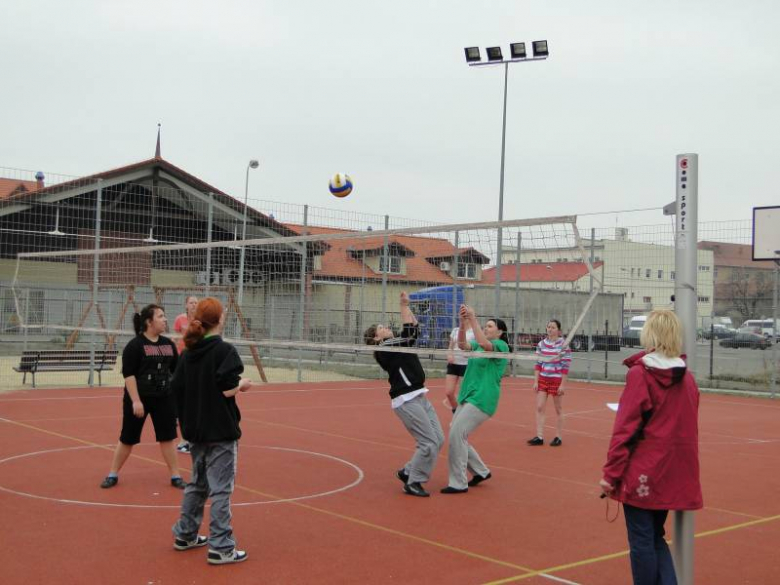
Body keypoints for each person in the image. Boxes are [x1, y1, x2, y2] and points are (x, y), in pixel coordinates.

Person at [599, 310, 703, 585]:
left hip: (643, 470)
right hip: (672, 472)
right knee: (654, 537)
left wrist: (610, 475)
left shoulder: (641, 374)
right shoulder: (688, 379)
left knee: (642, 541)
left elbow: (625, 428)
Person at [171, 297, 252, 565]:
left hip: (195, 430)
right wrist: (242, 384)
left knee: (198, 484)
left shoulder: (188, 353)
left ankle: (185, 534)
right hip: (219, 430)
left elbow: (177, 390)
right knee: (220, 489)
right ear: (219, 319)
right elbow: (226, 388)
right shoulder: (224, 351)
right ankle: (221, 546)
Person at [364, 291, 444, 498]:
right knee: (428, 442)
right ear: (376, 338)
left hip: (419, 395)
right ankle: (413, 481)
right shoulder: (384, 349)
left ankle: (408, 471)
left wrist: (407, 306)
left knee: (438, 439)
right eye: (381, 328)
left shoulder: (396, 343)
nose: (386, 327)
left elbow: (413, 330)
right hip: (406, 400)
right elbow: (410, 333)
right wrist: (402, 305)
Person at [100, 304, 185, 489]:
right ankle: (112, 473)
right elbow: (129, 375)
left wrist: (180, 399)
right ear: (149, 321)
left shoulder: (168, 344)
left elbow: (176, 373)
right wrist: (136, 401)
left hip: (164, 398)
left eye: (165, 316)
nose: (165, 320)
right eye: (161, 316)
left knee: (168, 437)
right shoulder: (135, 346)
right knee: (128, 438)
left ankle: (175, 476)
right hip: (139, 399)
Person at [441, 305, 510, 494]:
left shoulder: (501, 346)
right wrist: (463, 324)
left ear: (500, 331)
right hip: (468, 396)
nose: (487, 329)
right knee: (455, 432)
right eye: (485, 326)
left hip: (483, 398)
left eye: (490, 326)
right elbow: (462, 345)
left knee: (457, 434)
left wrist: (473, 319)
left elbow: (487, 346)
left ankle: (458, 482)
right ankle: (480, 471)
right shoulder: (478, 345)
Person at [527, 319, 572, 447]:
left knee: (558, 408)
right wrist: (536, 381)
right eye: (548, 327)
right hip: (543, 379)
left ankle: (558, 436)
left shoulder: (564, 345)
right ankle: (539, 436)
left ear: (558, 330)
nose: (550, 329)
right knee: (540, 407)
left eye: (553, 327)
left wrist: (563, 384)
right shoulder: (541, 344)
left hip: (556, 380)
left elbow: (565, 366)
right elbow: (538, 363)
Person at [173, 295, 198, 454]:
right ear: (186, 305)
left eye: (196, 302)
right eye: (191, 302)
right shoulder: (180, 319)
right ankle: (184, 439)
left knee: (193, 399)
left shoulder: (201, 321)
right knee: (182, 395)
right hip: (182, 360)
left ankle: (188, 439)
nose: (194, 305)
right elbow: (175, 339)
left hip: (195, 360)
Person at [443, 320, 475, 412]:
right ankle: (455, 411)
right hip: (453, 364)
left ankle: (461, 417)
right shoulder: (456, 330)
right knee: (449, 392)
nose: (463, 319)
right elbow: (451, 347)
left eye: (465, 316)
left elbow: (476, 347)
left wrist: (470, 354)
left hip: (466, 365)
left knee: (463, 394)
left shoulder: (473, 332)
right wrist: (449, 355)